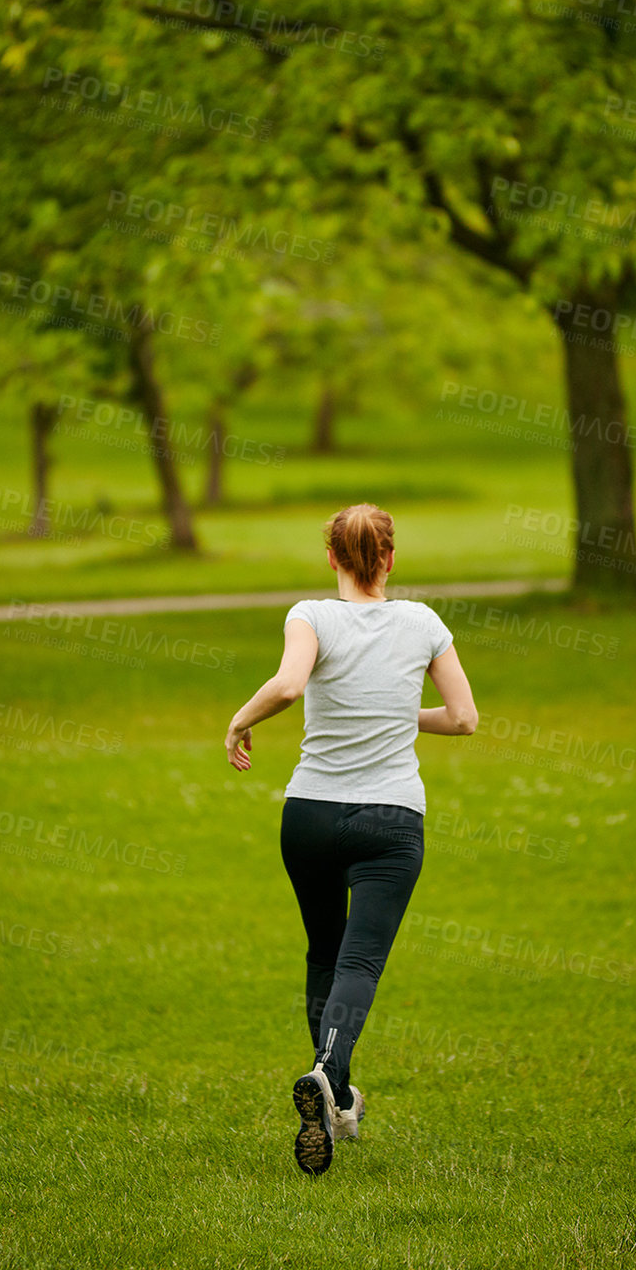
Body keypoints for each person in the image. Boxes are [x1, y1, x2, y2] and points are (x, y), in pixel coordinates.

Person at [224, 502, 478, 1176]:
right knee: (359, 962)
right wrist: (395, 713)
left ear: (332, 558)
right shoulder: (423, 624)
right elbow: (464, 719)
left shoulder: (310, 615)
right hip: (389, 822)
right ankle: (330, 1075)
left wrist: (239, 722)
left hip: (309, 814)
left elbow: (288, 685)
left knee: (323, 950)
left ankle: (335, 1103)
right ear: (390, 559)